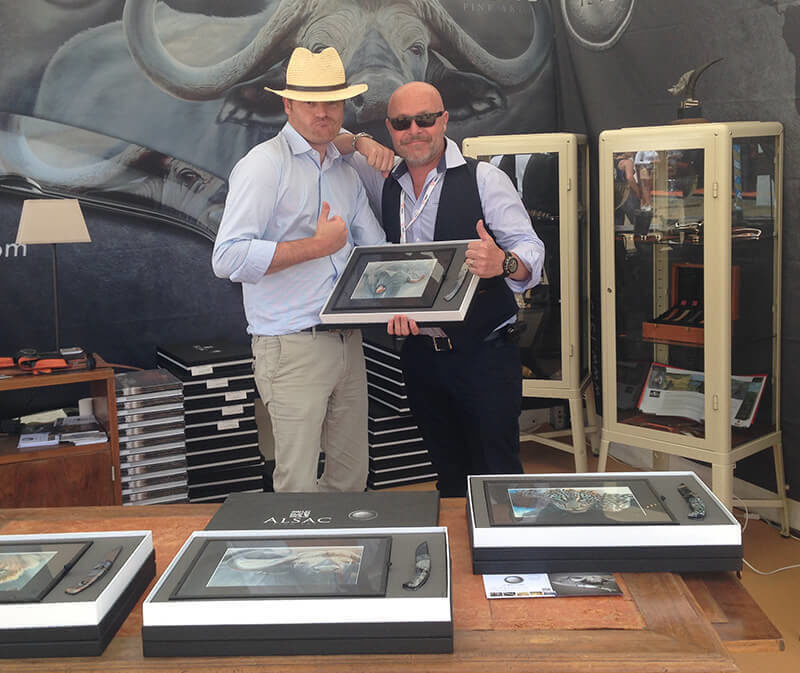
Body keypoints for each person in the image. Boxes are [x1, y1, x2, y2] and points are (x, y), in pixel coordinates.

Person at [339, 81, 545, 497]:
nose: (414, 130)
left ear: (444, 120)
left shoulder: (484, 178)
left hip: (484, 355)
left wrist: (502, 262)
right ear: (389, 128)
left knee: (497, 477)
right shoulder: (380, 177)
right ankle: (457, 540)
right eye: (402, 123)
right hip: (421, 357)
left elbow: (530, 248)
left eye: (425, 119)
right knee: (448, 476)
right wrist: (361, 141)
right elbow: (329, 138)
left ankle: (506, 544)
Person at [211, 47, 386, 493]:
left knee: (350, 480)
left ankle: (336, 544)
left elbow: (376, 252)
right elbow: (227, 258)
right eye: (311, 102)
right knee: (296, 487)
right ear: (288, 104)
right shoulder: (263, 165)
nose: (323, 112)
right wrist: (317, 247)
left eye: (332, 102)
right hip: (290, 346)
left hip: (347, 342)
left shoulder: (345, 170)